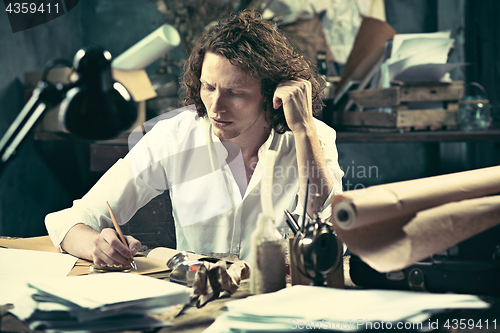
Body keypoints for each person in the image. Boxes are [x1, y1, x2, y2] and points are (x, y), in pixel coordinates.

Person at [45, 10, 343, 267]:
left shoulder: (313, 138)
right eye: (208, 87)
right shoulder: (175, 137)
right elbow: (70, 220)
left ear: (270, 93)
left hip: (281, 304)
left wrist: (304, 129)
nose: (215, 106)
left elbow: (333, 234)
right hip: (201, 302)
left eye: (235, 93)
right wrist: (97, 245)